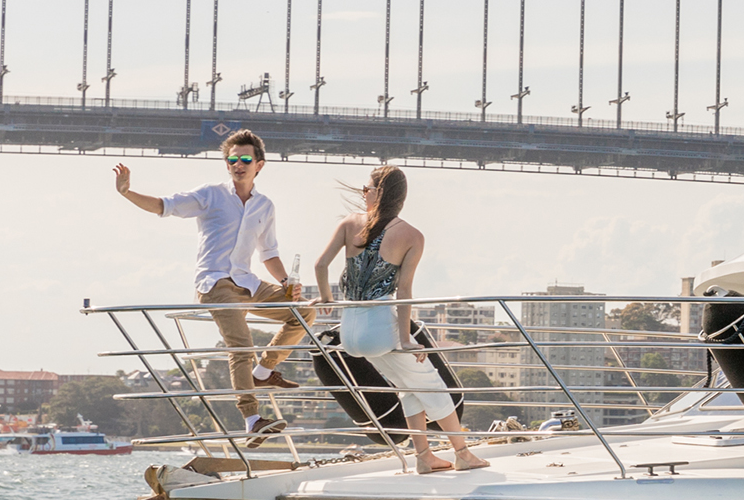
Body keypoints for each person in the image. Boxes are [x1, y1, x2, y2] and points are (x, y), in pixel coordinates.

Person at [114, 132, 306, 442]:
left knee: (303, 314)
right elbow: (164, 205)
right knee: (241, 346)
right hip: (215, 283)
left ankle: (262, 372)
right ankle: (252, 419)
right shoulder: (210, 195)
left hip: (247, 281)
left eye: (245, 159)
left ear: (259, 165)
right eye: (232, 160)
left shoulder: (265, 206)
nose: (238, 165)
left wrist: (287, 283)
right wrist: (127, 192)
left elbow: (269, 253)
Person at [315, 164, 486, 473]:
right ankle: (463, 453)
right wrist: (406, 340)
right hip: (380, 329)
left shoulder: (349, 223)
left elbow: (320, 265)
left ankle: (424, 456)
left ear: (380, 192)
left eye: (367, 189)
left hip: (350, 334)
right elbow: (404, 291)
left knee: (408, 386)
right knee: (432, 385)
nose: (363, 194)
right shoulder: (412, 235)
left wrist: (327, 298)